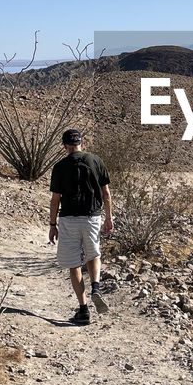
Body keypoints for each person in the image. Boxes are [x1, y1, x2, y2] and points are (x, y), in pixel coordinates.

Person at [48, 129, 114, 325]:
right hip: (92, 217)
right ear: (81, 143)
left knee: (74, 263)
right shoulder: (96, 161)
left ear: (64, 145)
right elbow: (106, 193)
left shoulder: (59, 167)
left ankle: (83, 310)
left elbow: (55, 200)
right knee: (93, 254)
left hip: (69, 219)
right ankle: (95, 287)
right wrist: (108, 217)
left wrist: (52, 225)